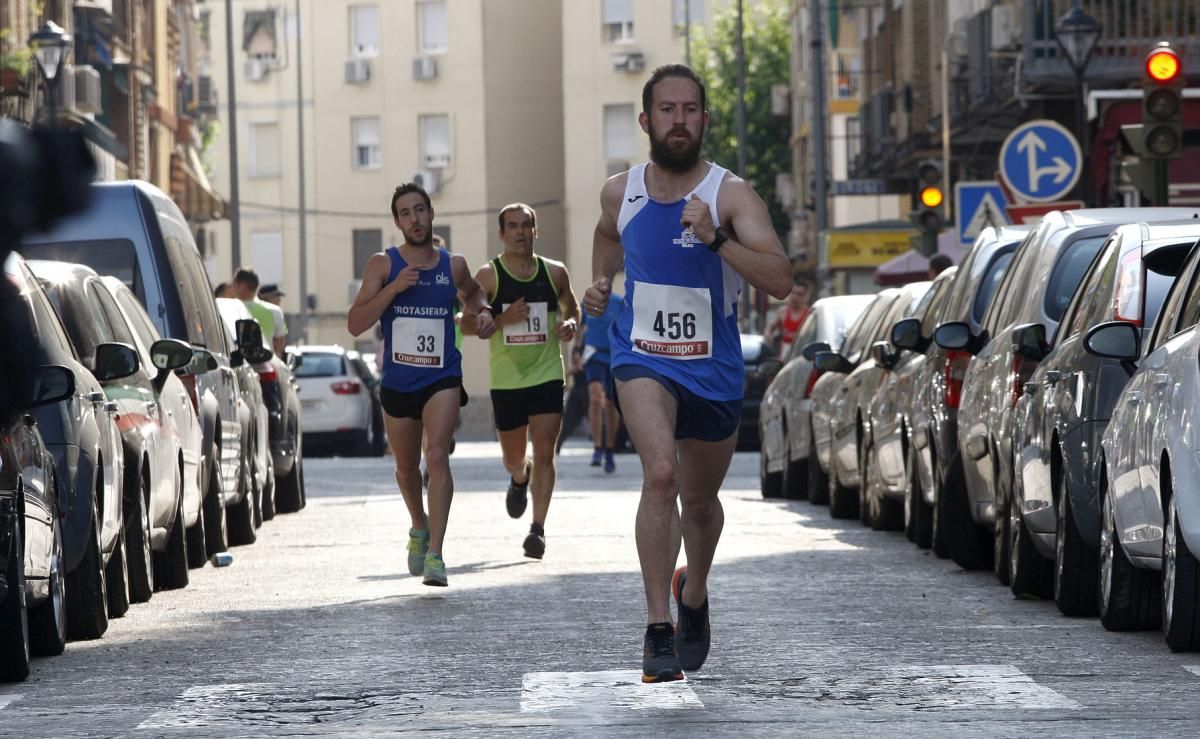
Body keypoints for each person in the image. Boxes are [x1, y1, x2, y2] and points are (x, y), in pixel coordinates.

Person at [582, 64, 791, 683]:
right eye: (667, 110)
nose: (679, 120)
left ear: (704, 119)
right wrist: (601, 284)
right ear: (646, 122)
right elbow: (604, 235)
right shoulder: (620, 192)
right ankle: (656, 629)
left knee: (700, 503)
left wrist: (717, 240)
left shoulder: (732, 195)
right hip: (641, 355)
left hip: (712, 367)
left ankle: (692, 592)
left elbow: (781, 282)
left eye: (690, 110)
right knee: (662, 475)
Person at [347, 182, 496, 587]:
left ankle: (437, 554)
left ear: (432, 213)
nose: (415, 219)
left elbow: (474, 294)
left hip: (441, 376)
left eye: (420, 210)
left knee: (437, 457)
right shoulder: (383, 264)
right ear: (397, 222)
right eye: (405, 213)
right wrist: (395, 288)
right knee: (405, 467)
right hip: (398, 381)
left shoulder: (454, 265)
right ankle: (419, 525)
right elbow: (356, 323)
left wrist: (483, 313)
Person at [461, 203, 579, 560]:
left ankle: (538, 530)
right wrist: (501, 318)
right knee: (515, 457)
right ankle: (518, 478)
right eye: (512, 226)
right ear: (501, 234)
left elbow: (572, 307)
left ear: (535, 231)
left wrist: (570, 324)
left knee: (545, 452)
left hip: (546, 373)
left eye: (526, 225)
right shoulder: (489, 277)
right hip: (508, 380)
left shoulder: (554, 272)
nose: (519, 232)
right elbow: (465, 324)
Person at [580, 293, 622, 472]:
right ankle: (597, 447)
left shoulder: (620, 303)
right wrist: (576, 350)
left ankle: (610, 449)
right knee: (596, 399)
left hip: (613, 357)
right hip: (593, 355)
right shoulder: (588, 301)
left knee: (612, 405)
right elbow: (580, 328)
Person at [232, 267, 286, 354]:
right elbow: (279, 345)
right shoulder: (275, 311)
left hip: (234, 363)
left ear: (241, 287)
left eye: (233, 285)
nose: (232, 288)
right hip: (266, 363)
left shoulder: (227, 309)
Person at [763, 281, 810, 358]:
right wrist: (767, 333)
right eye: (793, 293)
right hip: (784, 356)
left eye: (799, 294)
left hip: (802, 356)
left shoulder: (809, 314)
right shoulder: (783, 312)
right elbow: (770, 327)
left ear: (805, 296)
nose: (795, 297)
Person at [257, 283, 289, 354]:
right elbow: (279, 344)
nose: (279, 300)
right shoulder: (276, 312)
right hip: (269, 359)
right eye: (276, 296)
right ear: (266, 298)